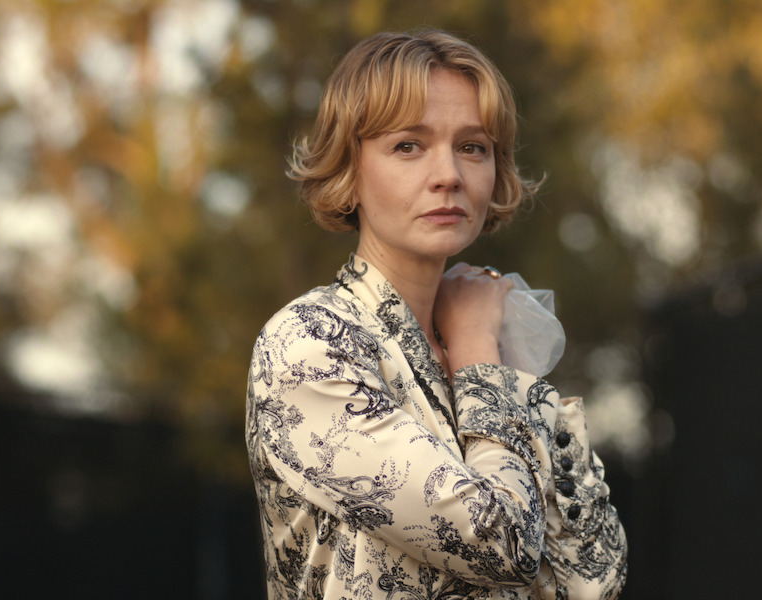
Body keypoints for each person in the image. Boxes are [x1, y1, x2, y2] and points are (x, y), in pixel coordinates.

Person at [246, 29, 626, 599]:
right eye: (408, 146)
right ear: (351, 169)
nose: (449, 173)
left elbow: (596, 576)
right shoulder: (308, 346)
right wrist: (477, 351)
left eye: (472, 146)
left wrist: (485, 355)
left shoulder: (492, 335)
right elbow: (503, 545)